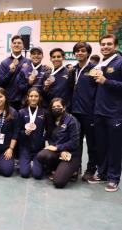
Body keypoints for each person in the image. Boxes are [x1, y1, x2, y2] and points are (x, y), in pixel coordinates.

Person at [89, 34, 122, 192]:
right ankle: (102, 173)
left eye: (109, 44)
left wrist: (106, 81)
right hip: (99, 111)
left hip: (115, 113)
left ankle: (114, 177)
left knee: (114, 147)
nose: (105, 47)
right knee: (101, 145)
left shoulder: (120, 62)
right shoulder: (102, 63)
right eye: (103, 44)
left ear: (115, 45)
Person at [37, 98, 81, 188]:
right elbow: (50, 138)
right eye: (53, 107)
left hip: (71, 154)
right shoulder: (51, 120)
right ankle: (56, 168)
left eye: (58, 106)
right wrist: (60, 150)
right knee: (41, 155)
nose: (55, 108)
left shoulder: (72, 121)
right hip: (59, 152)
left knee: (58, 182)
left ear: (64, 107)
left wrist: (58, 147)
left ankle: (74, 170)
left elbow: (75, 142)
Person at [71, 42, 98, 181]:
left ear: (88, 53)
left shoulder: (94, 69)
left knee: (92, 143)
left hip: (89, 113)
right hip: (74, 112)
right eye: (77, 51)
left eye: (82, 51)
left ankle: (91, 169)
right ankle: (76, 167)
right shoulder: (73, 69)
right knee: (76, 142)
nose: (79, 53)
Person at [18, 88, 46, 179]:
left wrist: (42, 140)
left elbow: (48, 131)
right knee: (24, 174)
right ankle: (24, 162)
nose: (33, 98)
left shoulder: (44, 112)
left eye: (36, 96)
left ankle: (39, 165)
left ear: (39, 98)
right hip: (25, 147)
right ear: (27, 97)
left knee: (37, 175)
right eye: (31, 96)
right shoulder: (22, 112)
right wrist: (24, 132)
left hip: (38, 148)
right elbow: (17, 130)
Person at [0, 35, 31, 110]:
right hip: (10, 100)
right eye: (14, 43)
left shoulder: (28, 62)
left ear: (23, 46)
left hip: (24, 100)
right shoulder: (4, 63)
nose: (17, 45)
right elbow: (1, 83)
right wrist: (10, 72)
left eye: (19, 43)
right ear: (11, 45)